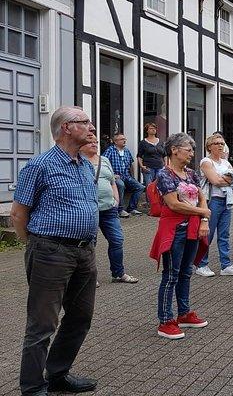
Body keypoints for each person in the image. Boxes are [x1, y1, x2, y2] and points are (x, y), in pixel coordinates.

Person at [11, 106, 99, 395]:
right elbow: (19, 214)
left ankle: (59, 374)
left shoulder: (85, 164)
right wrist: (37, 245)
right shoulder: (40, 166)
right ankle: (33, 387)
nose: (91, 126)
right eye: (84, 122)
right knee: (42, 324)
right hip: (51, 251)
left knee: (80, 317)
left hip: (84, 252)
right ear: (66, 128)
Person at [149, 133, 211, 339]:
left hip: (192, 227)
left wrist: (203, 220)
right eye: (188, 149)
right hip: (173, 229)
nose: (192, 154)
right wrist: (203, 213)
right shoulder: (164, 174)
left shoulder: (191, 174)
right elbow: (173, 204)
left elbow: (202, 198)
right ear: (174, 150)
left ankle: (184, 313)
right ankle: (165, 320)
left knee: (186, 272)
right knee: (171, 275)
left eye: (193, 150)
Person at [80, 134, 138, 284]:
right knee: (90, 244)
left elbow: (112, 182)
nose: (94, 144)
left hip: (109, 208)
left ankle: (118, 274)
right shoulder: (77, 161)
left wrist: (116, 200)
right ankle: (89, 277)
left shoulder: (104, 160)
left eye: (96, 142)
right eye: (90, 142)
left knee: (117, 240)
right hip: (89, 210)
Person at [196, 134, 233, 277]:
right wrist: (226, 180)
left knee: (224, 234)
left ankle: (226, 265)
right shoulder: (206, 162)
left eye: (222, 143)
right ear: (209, 147)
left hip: (226, 201)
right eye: (216, 143)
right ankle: (201, 264)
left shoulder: (225, 163)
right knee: (207, 234)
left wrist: (223, 179)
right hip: (212, 200)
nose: (220, 145)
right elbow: (215, 181)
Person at [103, 133, 145, 217]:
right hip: (116, 176)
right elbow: (103, 163)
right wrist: (112, 175)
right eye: (122, 139)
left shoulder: (126, 151)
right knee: (120, 185)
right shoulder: (110, 150)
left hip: (126, 176)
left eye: (124, 139)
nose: (124, 140)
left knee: (140, 187)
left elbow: (131, 164)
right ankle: (120, 210)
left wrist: (132, 177)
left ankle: (131, 208)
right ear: (115, 142)